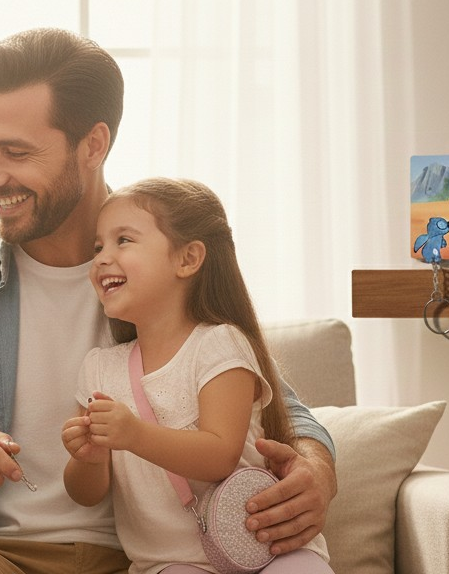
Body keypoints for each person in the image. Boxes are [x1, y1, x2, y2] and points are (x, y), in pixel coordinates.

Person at [0, 28, 339, 573]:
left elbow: (283, 409)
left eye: (15, 152)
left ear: (93, 145)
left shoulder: (163, 260)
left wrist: (316, 472)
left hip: (152, 557)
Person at [63, 178, 332, 574]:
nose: (102, 258)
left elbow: (220, 455)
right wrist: (88, 459)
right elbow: (87, 495)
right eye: (98, 246)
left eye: (124, 240)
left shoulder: (220, 344)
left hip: (269, 549)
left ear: (187, 259)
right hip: (171, 563)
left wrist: (133, 434)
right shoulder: (98, 368)